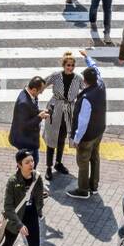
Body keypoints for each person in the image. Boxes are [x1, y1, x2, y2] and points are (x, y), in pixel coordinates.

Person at [66, 53, 105, 200]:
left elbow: (83, 123)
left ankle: (83, 190)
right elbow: (95, 67)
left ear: (85, 82)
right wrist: (87, 57)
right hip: (99, 130)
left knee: (83, 161)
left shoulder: (86, 98)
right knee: (95, 157)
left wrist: (76, 139)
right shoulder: (100, 83)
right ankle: (94, 186)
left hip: (87, 136)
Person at [0, 150, 45, 246]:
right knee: (7, 245)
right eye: (27, 162)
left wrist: (38, 212)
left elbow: (39, 198)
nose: (31, 164)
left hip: (31, 216)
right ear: (19, 165)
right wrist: (19, 225)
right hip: (15, 218)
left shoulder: (37, 178)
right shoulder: (12, 181)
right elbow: (8, 206)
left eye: (32, 161)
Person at [43, 51, 84, 180]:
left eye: (72, 65)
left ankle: (58, 163)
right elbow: (43, 83)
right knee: (51, 138)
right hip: (55, 109)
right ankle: (49, 167)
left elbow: (87, 90)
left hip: (68, 111)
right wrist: (31, 92)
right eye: (68, 65)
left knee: (62, 138)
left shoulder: (78, 79)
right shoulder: (56, 76)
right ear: (63, 65)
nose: (70, 68)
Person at [9, 75, 49, 152]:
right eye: (40, 91)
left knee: (31, 161)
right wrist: (39, 117)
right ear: (34, 90)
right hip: (24, 141)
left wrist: (41, 112)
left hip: (29, 139)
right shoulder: (23, 103)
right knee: (29, 162)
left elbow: (31, 111)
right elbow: (24, 126)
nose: (41, 93)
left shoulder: (30, 94)